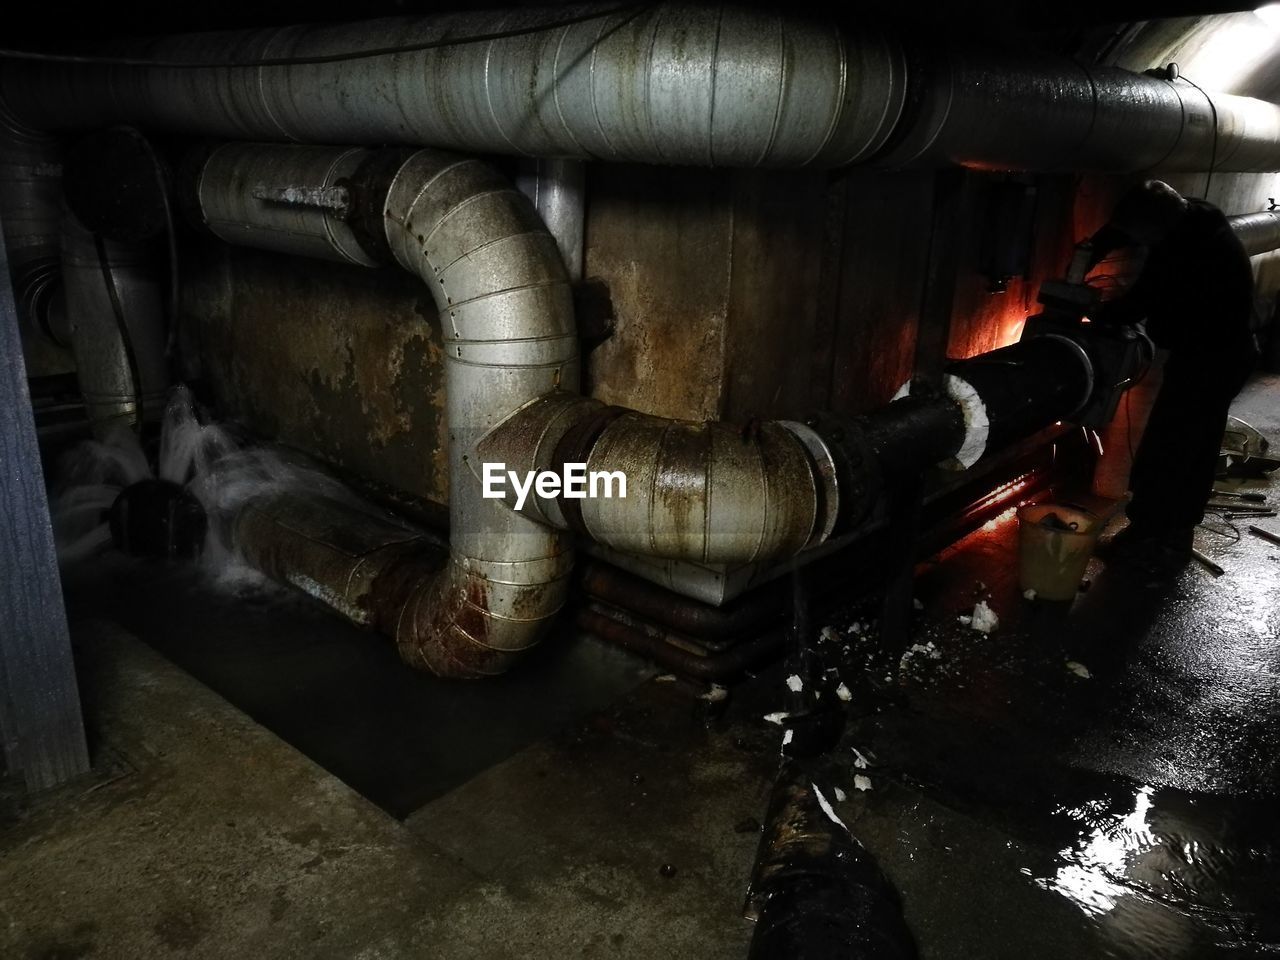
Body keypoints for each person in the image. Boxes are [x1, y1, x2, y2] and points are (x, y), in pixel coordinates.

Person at [1085, 180, 1259, 570]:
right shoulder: (1187, 214)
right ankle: (1158, 533)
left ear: (1156, 227)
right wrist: (1093, 246)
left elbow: (1143, 300)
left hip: (1214, 360)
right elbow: (1130, 226)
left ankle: (1159, 540)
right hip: (1219, 354)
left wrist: (1098, 312)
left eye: (1139, 236)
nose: (1137, 241)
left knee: (1176, 450)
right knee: (1181, 446)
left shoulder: (1192, 253)